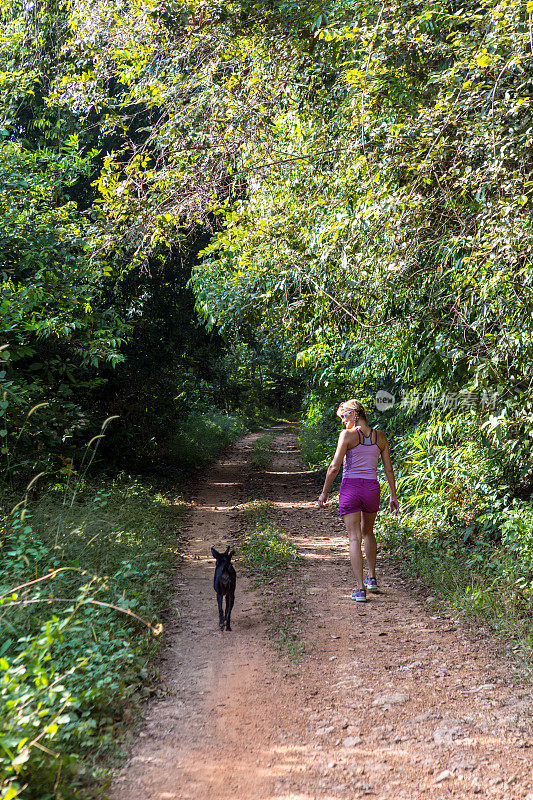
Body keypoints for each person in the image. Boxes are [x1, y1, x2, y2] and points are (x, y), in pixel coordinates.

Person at [317, 399, 399, 602]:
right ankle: (372, 577)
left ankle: (360, 588)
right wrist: (393, 495)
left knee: (354, 538)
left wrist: (324, 492)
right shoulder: (380, 436)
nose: (343, 421)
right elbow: (388, 469)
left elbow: (334, 467)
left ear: (354, 414)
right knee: (368, 532)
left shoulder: (347, 435)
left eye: (344, 416)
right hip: (372, 489)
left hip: (351, 488)